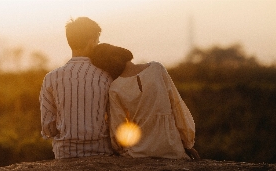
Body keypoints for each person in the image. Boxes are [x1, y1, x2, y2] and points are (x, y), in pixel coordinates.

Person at [90, 43, 200, 160]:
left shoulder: (115, 88)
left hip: (139, 152)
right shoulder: (157, 68)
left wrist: (121, 150)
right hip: (171, 148)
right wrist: (187, 143)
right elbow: (177, 106)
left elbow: (118, 129)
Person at [39, 17, 114, 159]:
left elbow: (48, 127)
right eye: (97, 41)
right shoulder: (106, 77)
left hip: (65, 154)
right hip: (101, 152)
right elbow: (114, 120)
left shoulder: (51, 78)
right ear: (92, 42)